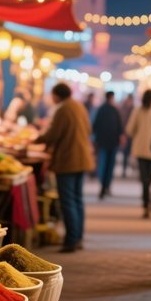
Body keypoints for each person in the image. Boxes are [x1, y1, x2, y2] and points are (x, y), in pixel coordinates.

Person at [33, 82, 94, 252]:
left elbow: (53, 134)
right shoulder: (78, 106)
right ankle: (78, 237)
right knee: (77, 199)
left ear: (57, 95)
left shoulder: (62, 109)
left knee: (67, 200)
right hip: (81, 158)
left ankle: (71, 240)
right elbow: (89, 129)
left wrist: (36, 139)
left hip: (68, 160)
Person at [125, 89, 151, 217]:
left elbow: (130, 129)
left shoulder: (137, 110)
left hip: (140, 149)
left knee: (145, 179)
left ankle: (146, 203)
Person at [91, 90, 123, 199]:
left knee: (103, 164)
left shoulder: (100, 110)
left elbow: (94, 126)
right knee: (109, 165)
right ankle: (106, 185)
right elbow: (120, 127)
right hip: (113, 142)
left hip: (102, 142)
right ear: (112, 97)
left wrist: (95, 140)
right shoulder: (115, 110)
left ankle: (103, 186)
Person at [119, 95, 136, 177]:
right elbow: (122, 122)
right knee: (125, 153)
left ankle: (131, 169)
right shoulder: (124, 109)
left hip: (132, 136)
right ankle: (124, 170)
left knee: (131, 153)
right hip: (126, 135)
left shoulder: (134, 109)